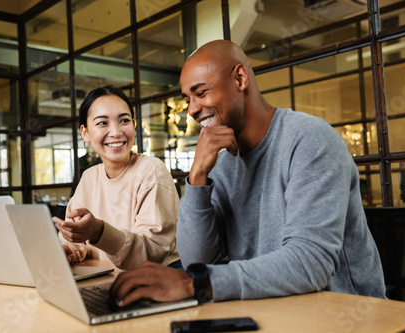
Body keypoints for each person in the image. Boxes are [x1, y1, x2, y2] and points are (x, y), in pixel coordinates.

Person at [109, 40, 386, 306]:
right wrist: (197, 178)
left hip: (344, 317)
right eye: (187, 99)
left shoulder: (309, 139)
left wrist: (193, 283)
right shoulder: (222, 162)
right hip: (271, 310)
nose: (192, 109)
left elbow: (310, 263)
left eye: (201, 92)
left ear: (240, 79)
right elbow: (199, 259)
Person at [53, 85, 181, 270]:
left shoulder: (151, 170)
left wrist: (98, 231)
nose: (116, 132)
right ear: (85, 133)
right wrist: (69, 250)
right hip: (107, 275)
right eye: (103, 123)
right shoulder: (89, 177)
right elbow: (73, 238)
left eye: (124, 120)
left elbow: (150, 252)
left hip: (157, 279)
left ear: (134, 125)